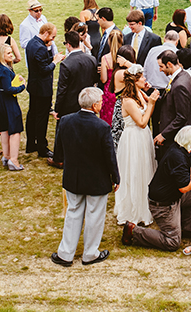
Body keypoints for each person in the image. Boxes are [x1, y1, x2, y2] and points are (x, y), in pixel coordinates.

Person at [52, 87, 120, 267]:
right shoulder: (102, 127)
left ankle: (65, 254)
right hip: (97, 179)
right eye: (101, 102)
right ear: (95, 105)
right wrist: (116, 177)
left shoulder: (66, 121)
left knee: (73, 213)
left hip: (73, 176)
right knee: (94, 215)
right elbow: (109, 156)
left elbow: (58, 150)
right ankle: (90, 254)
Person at [122, 126, 191, 251]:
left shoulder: (179, 148)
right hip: (163, 205)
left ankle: (186, 229)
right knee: (172, 242)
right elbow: (184, 188)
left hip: (174, 196)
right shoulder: (178, 157)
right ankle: (133, 231)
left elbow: (187, 168)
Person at [115, 65, 159, 226]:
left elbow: (147, 111)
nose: (145, 79)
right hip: (133, 138)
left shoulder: (139, 93)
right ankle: (134, 209)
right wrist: (151, 103)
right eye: (142, 77)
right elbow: (141, 122)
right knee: (134, 171)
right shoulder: (128, 100)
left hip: (143, 136)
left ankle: (146, 204)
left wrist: (150, 97)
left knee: (145, 168)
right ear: (135, 80)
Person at [25, 23, 64, 159]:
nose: (53, 40)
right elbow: (44, 70)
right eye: (52, 37)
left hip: (33, 86)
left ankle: (31, 143)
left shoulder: (31, 43)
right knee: (41, 118)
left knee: (32, 114)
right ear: (46, 33)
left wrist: (52, 58)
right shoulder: (41, 48)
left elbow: (39, 62)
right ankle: (42, 147)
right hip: (42, 88)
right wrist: (55, 62)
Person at [153, 50, 191, 154]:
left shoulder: (180, 85)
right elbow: (169, 101)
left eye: (161, 66)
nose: (160, 70)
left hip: (175, 138)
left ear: (169, 64)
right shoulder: (182, 75)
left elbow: (181, 117)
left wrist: (164, 135)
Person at [0, 43, 26, 171]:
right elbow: (8, 89)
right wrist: (22, 86)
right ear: (1, 55)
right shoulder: (5, 70)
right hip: (7, 101)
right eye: (8, 53)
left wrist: (16, 78)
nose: (12, 55)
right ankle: (14, 159)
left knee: (4, 129)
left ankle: (6, 156)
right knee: (15, 129)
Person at [55, 31, 98, 118]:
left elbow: (62, 89)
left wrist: (57, 109)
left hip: (70, 106)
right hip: (87, 103)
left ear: (68, 44)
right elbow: (95, 80)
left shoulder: (66, 64)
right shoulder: (92, 59)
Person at [109, 45, 137, 146]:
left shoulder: (124, 71)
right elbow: (139, 73)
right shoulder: (121, 73)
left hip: (128, 106)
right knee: (121, 137)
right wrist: (127, 63)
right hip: (122, 108)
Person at [99, 30, 125, 124]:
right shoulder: (125, 57)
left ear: (109, 41)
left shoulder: (105, 58)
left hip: (109, 91)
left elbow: (104, 79)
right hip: (122, 90)